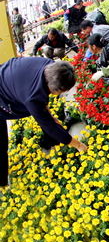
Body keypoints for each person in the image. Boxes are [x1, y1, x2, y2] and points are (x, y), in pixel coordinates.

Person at [0, 57, 88, 188]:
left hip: (9, 76)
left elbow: (44, 104)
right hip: (2, 93)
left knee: (48, 120)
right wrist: (79, 145)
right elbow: (50, 126)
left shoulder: (51, 66)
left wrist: (50, 115)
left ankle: (55, 145)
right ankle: (2, 182)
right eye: (62, 92)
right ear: (54, 90)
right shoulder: (33, 98)